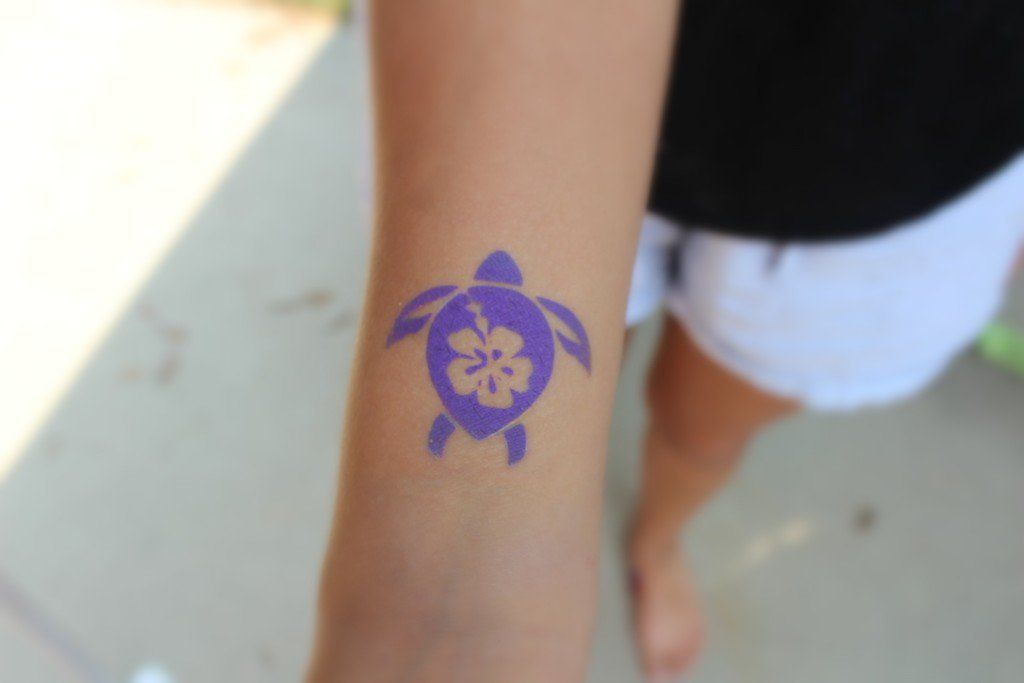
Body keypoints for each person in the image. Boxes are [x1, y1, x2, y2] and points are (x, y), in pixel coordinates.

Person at [306, 1, 1024, 681]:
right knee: (588, 366)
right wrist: (455, 595)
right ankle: (594, 508)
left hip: (920, 138)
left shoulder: (469, 310)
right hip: (557, 93)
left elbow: (434, 315)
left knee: (703, 428)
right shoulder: (548, 316)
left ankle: (655, 540)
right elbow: (559, 341)